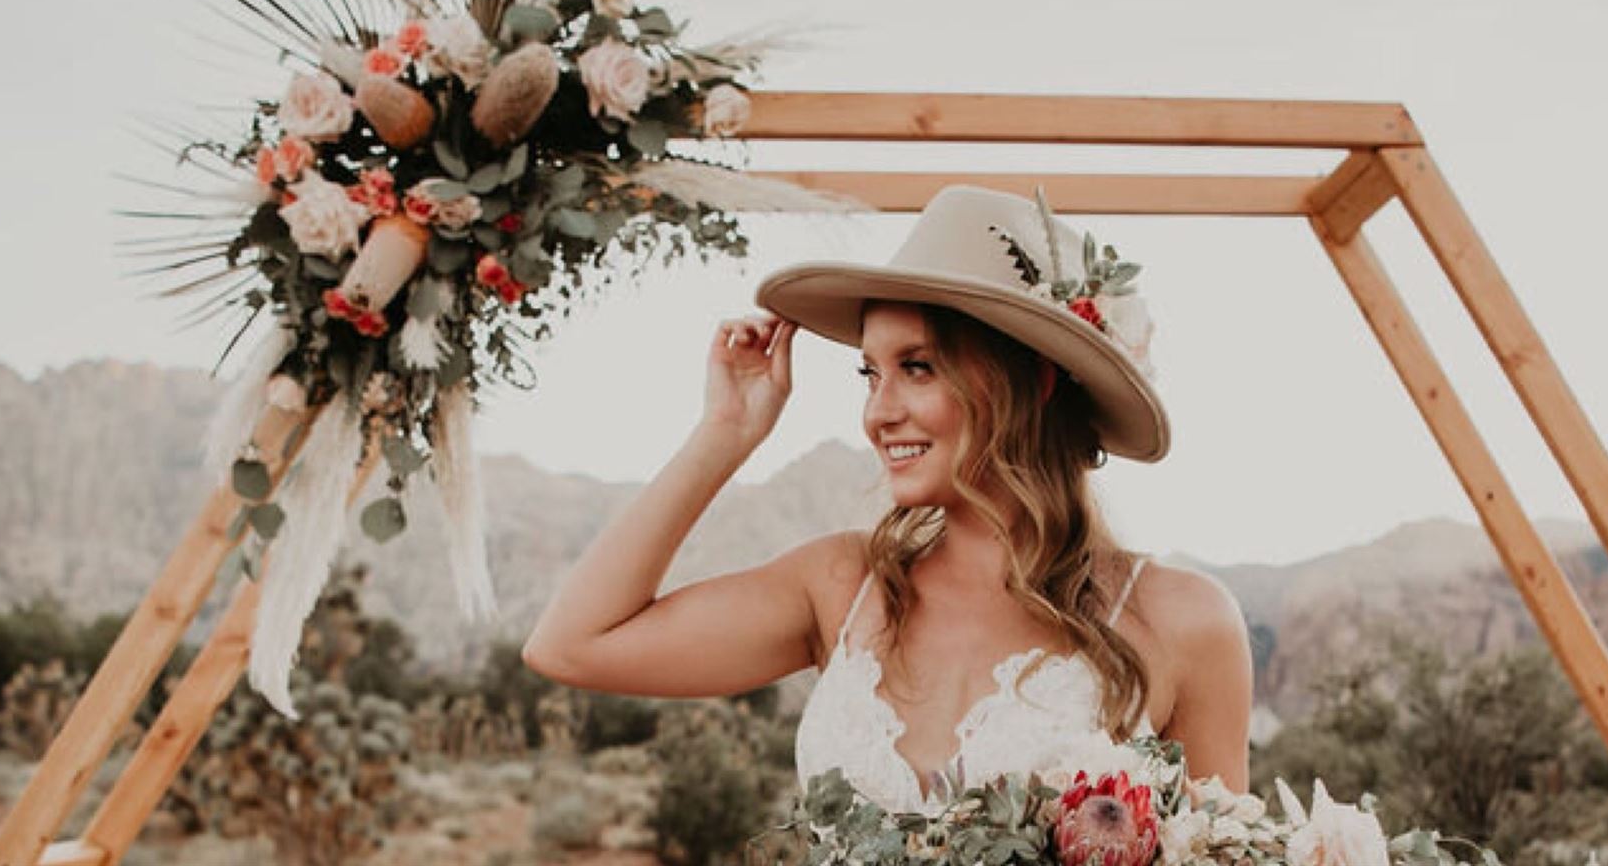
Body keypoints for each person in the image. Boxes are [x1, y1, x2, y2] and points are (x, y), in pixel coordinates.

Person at [522, 185, 1253, 814]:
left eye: (918, 368)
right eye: (869, 374)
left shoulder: (1184, 621)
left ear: (1034, 381)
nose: (879, 412)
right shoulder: (841, 587)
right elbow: (572, 646)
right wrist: (725, 431)